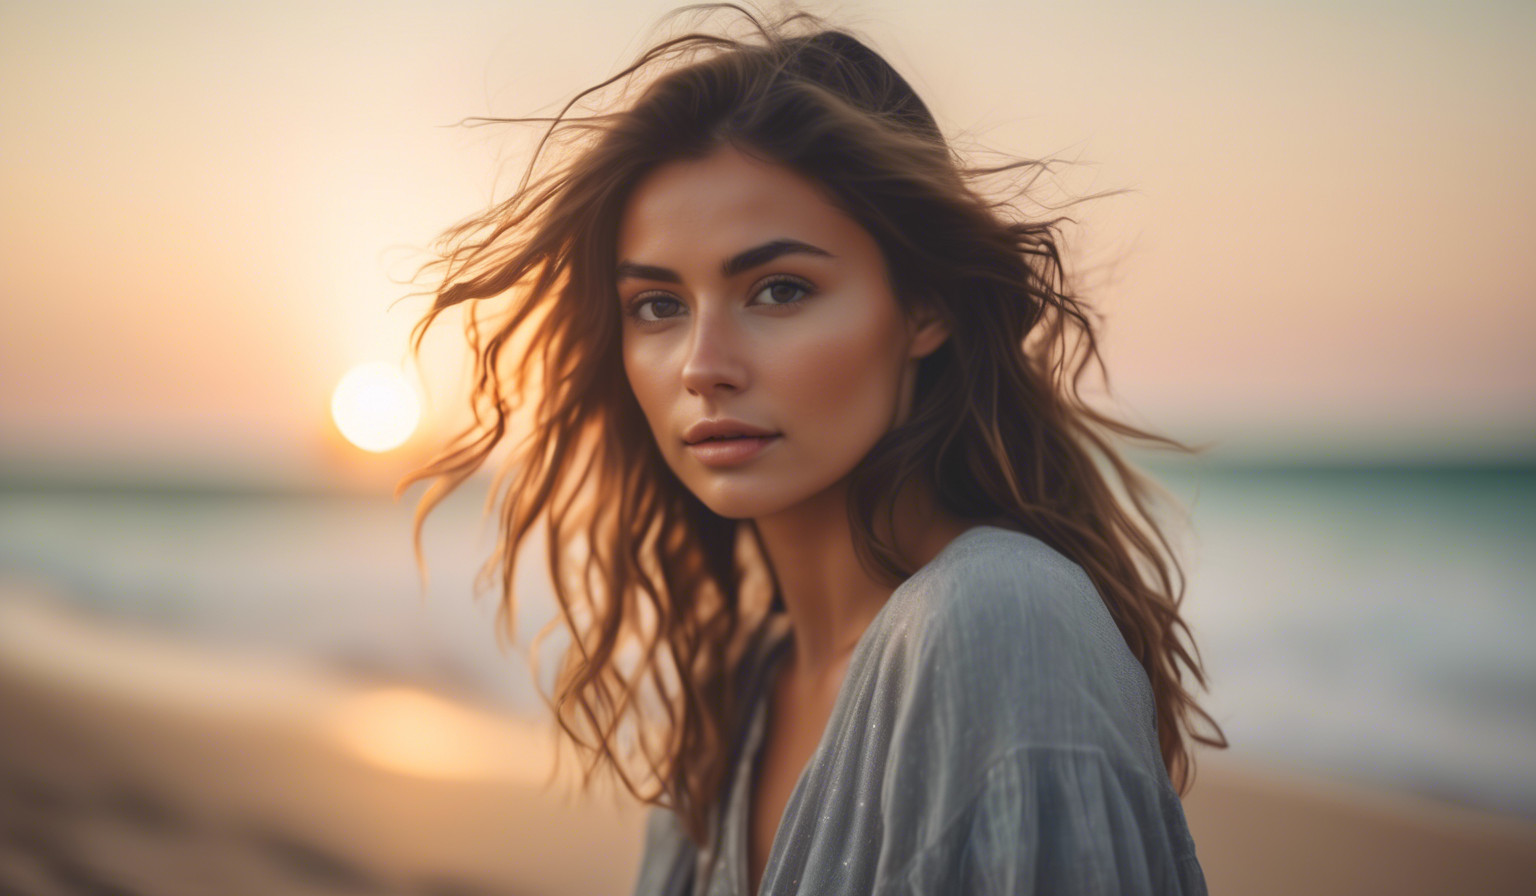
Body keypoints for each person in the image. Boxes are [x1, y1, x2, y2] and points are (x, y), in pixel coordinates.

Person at [408, 6, 1225, 894]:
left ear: (925, 306)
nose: (702, 367)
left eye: (780, 289)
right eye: (658, 305)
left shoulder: (1002, 619)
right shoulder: (734, 699)